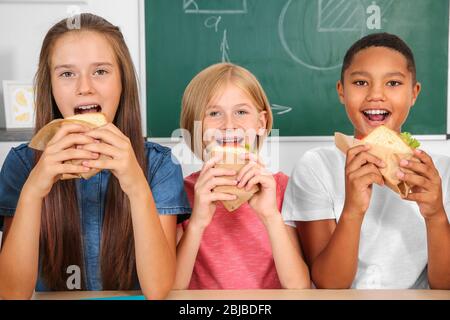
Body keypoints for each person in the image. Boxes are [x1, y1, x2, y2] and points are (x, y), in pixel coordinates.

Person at [0, 13, 191, 299]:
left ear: (123, 81)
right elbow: (11, 292)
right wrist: (33, 190)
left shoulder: (160, 165)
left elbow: (158, 289)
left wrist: (136, 185)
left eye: (100, 71)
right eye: (67, 73)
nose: (84, 87)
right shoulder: (22, 164)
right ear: (49, 87)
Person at [282, 33, 450, 289]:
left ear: (414, 93)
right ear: (341, 91)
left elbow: (445, 286)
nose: (376, 95)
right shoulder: (316, 166)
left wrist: (436, 215)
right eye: (361, 82)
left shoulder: (441, 172)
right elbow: (329, 284)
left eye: (393, 83)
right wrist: (353, 209)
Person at [174, 62, 310, 289]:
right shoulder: (181, 192)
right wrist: (197, 222)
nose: (229, 125)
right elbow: (172, 288)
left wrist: (269, 216)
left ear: (261, 122)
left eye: (241, 112)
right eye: (214, 113)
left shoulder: (281, 188)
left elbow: (299, 288)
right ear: (195, 126)